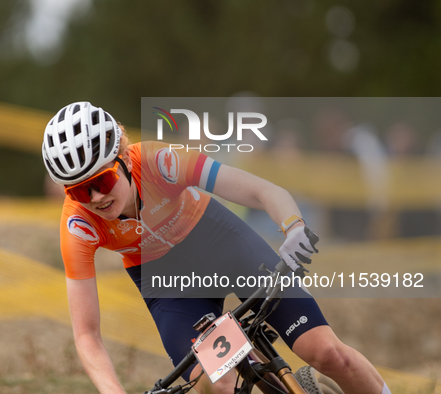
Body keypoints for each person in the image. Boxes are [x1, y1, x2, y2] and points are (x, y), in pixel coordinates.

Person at [42, 102, 391, 394]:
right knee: (219, 384)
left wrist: (293, 226)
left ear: (124, 158)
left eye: (102, 180)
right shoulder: (78, 225)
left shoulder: (159, 162)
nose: (96, 198)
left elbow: (262, 191)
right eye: (78, 191)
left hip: (219, 242)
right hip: (166, 282)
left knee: (328, 353)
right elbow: (86, 335)